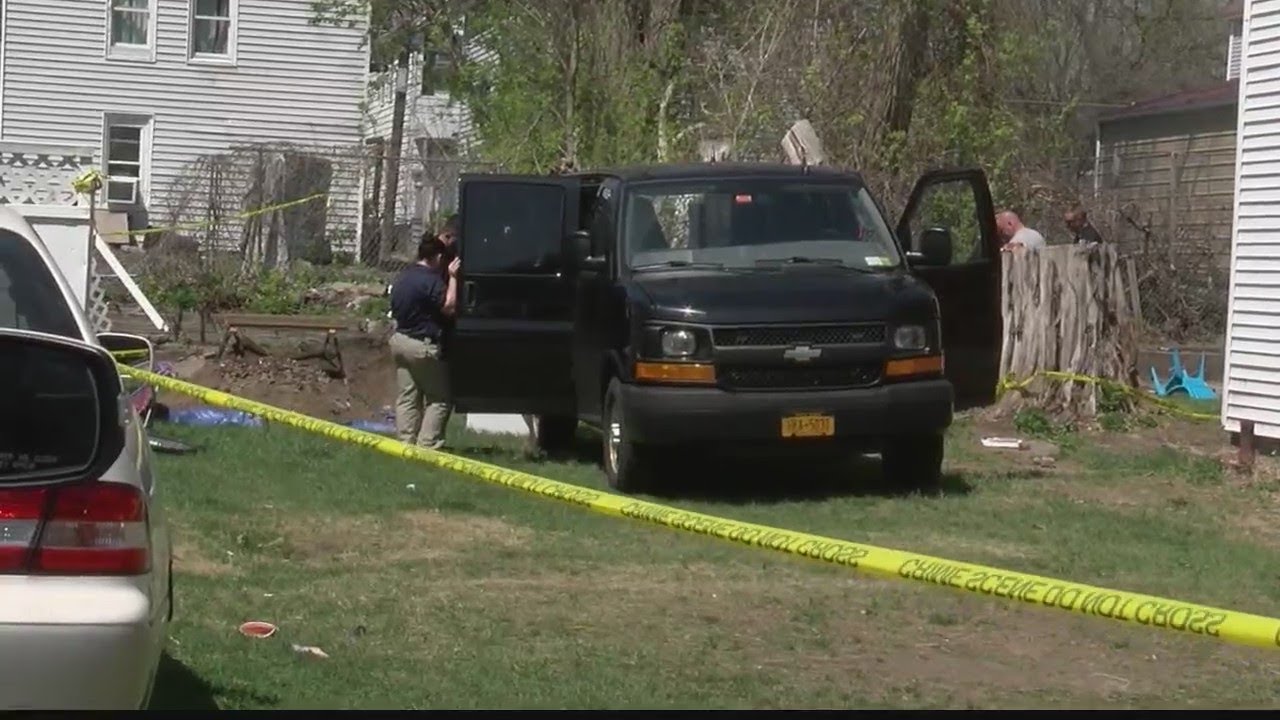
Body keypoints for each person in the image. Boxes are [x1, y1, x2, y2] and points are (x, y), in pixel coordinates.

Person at [388, 235, 461, 449]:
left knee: (407, 396)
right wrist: (454, 278)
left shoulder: (403, 277)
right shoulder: (430, 280)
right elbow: (449, 307)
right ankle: (427, 446)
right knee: (440, 398)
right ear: (437, 257)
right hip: (422, 346)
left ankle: (405, 444)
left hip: (400, 341)